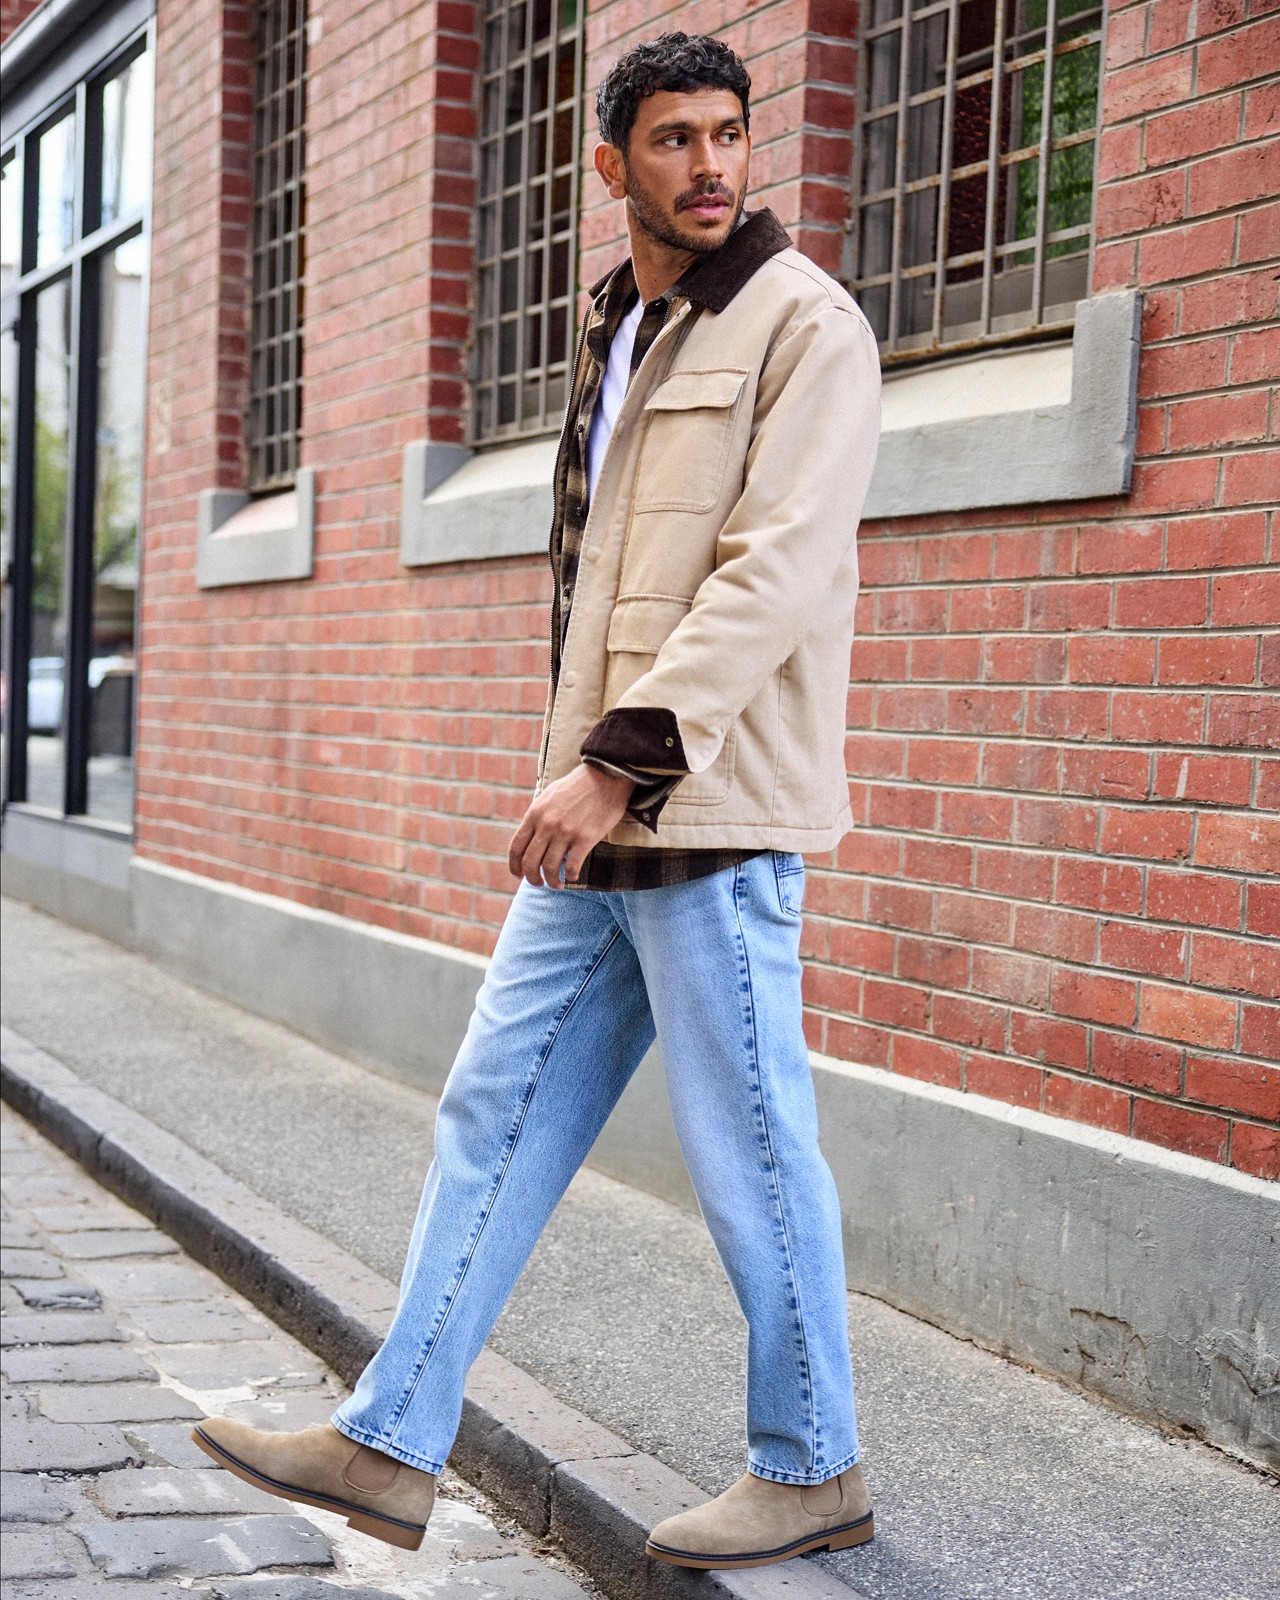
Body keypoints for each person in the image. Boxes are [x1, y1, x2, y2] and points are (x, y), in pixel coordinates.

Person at [191, 30, 882, 1572]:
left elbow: (774, 572)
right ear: (611, 165)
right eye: (675, 141)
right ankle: (389, 1441)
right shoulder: (622, 325)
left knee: (752, 1147)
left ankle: (813, 1461)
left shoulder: (803, 327)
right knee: (491, 1108)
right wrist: (587, 766)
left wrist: (616, 763)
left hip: (704, 811)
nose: (711, 166)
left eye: (730, 135)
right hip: (602, 811)